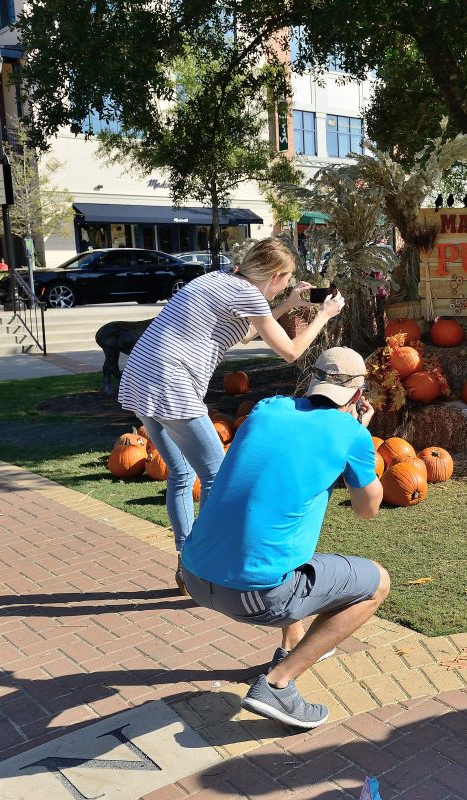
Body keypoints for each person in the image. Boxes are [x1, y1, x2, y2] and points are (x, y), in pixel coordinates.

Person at [118, 238, 345, 593]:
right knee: (217, 476)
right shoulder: (249, 295)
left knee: (180, 472)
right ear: (274, 275)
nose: (288, 284)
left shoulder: (221, 279)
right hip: (172, 383)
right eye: (287, 280)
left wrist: (289, 302)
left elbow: (246, 332)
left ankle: (186, 563)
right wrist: (324, 313)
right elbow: (291, 351)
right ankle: (201, 565)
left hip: (142, 375)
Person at [180, 347, 388, 729]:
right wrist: (360, 434)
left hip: (193, 574)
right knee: (377, 582)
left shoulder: (266, 408)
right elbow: (367, 508)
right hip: (255, 594)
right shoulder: (352, 433)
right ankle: (278, 684)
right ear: (358, 397)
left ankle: (289, 649)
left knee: (292, 557)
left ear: (311, 381)